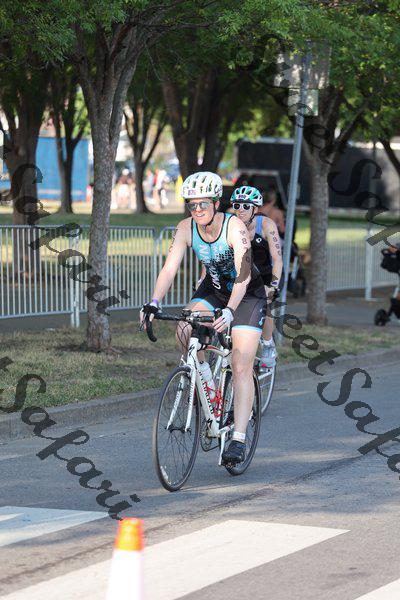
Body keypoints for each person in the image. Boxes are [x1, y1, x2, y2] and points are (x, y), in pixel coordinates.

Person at [140, 171, 267, 465]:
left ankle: (238, 438)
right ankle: (205, 380)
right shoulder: (186, 228)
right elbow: (170, 268)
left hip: (247, 294)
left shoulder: (234, 227)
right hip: (213, 290)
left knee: (240, 363)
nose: (197, 210)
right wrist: (153, 302)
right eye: (192, 204)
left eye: (203, 204)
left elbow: (243, 273)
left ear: (216, 203)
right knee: (184, 330)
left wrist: (230, 310)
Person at [230, 186, 283, 368]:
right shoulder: (230, 223)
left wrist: (273, 286)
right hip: (240, 273)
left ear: (255, 209)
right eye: (237, 205)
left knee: (265, 303)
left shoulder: (266, 224)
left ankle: (268, 344)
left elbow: (277, 259)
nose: (241, 210)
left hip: (266, 275)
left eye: (246, 206)